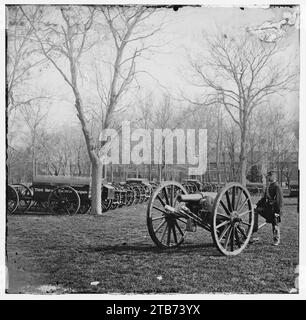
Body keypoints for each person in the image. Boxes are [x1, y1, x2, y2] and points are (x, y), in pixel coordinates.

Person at [252, 171, 284, 246]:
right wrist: (257, 205)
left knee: (275, 224)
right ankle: (254, 227)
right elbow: (263, 199)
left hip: (274, 210)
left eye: (269, 176)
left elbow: (280, 201)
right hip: (267, 209)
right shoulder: (269, 186)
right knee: (256, 210)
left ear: (273, 177)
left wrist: (277, 212)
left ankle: (276, 240)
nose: (268, 178)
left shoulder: (277, 186)